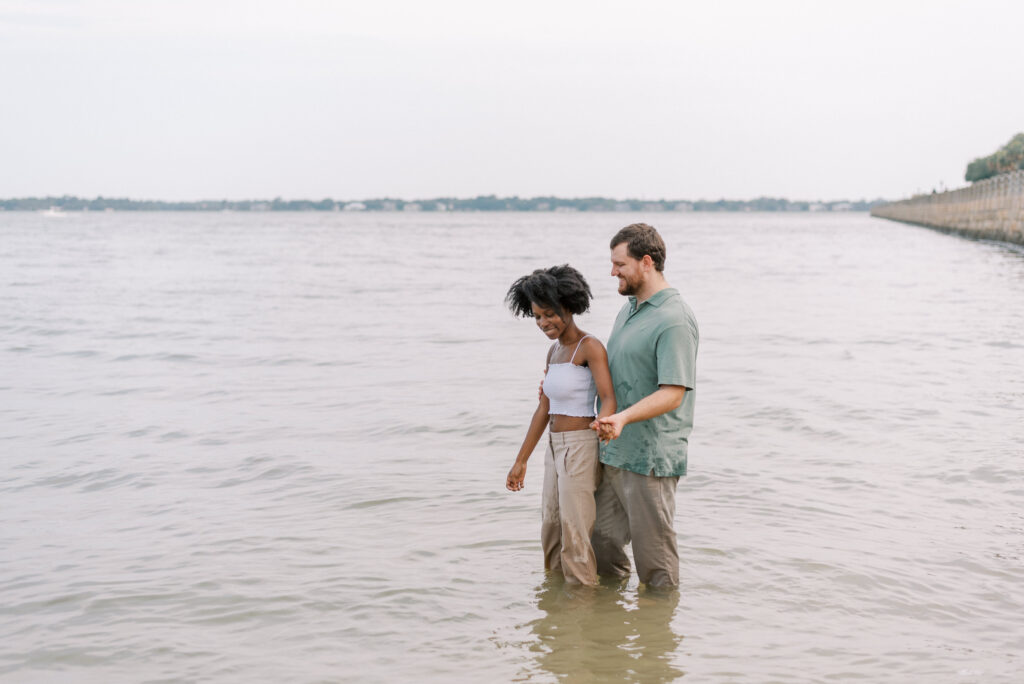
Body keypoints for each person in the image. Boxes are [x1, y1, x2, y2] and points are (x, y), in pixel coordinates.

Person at [591, 223, 699, 588]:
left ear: (646, 262)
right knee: (602, 549)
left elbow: (673, 392)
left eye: (619, 264)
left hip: (650, 459)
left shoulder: (674, 319)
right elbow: (621, 371)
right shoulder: (630, 309)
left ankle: (659, 639)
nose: (612, 272)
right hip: (613, 451)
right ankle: (609, 634)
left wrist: (623, 416)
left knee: (656, 569)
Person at [505, 265, 617, 586]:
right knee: (552, 529)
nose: (543, 323)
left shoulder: (589, 347)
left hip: (581, 445)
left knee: (575, 533)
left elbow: (607, 397)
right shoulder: (554, 351)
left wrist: (606, 422)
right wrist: (521, 460)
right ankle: (555, 604)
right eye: (537, 316)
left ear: (569, 306)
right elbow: (543, 409)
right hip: (554, 449)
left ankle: (581, 608)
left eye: (549, 314)